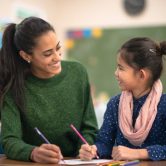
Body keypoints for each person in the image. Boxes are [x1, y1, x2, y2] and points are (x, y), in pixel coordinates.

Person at [0, 16, 98, 163]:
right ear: (26, 55)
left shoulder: (78, 72)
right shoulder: (14, 85)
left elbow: (89, 127)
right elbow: (9, 140)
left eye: (58, 48)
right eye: (47, 53)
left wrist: (85, 147)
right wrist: (33, 153)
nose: (57, 57)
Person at [79, 37, 166, 161]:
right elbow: (104, 143)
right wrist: (93, 150)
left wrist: (138, 154)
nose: (116, 73)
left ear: (141, 75)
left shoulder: (163, 105)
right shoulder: (115, 104)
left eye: (121, 68)